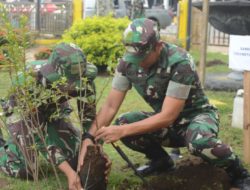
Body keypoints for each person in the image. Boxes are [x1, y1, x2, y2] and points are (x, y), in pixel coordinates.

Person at [79, 18, 250, 189]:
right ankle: (161, 161)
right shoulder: (127, 63)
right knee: (124, 122)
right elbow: (110, 106)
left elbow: (168, 116)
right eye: (133, 56)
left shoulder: (179, 62)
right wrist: (90, 137)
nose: (137, 62)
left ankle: (239, 172)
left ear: (158, 46)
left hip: (197, 118)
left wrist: (121, 131)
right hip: (167, 124)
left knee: (198, 143)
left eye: (143, 56)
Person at [0, 42, 107, 190]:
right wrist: (70, 174)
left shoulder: (84, 79)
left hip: (54, 110)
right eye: (70, 83)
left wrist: (94, 153)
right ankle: (3, 149)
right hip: (22, 114)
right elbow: (38, 135)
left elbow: (89, 121)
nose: (76, 86)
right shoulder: (29, 83)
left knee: (76, 160)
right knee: (27, 169)